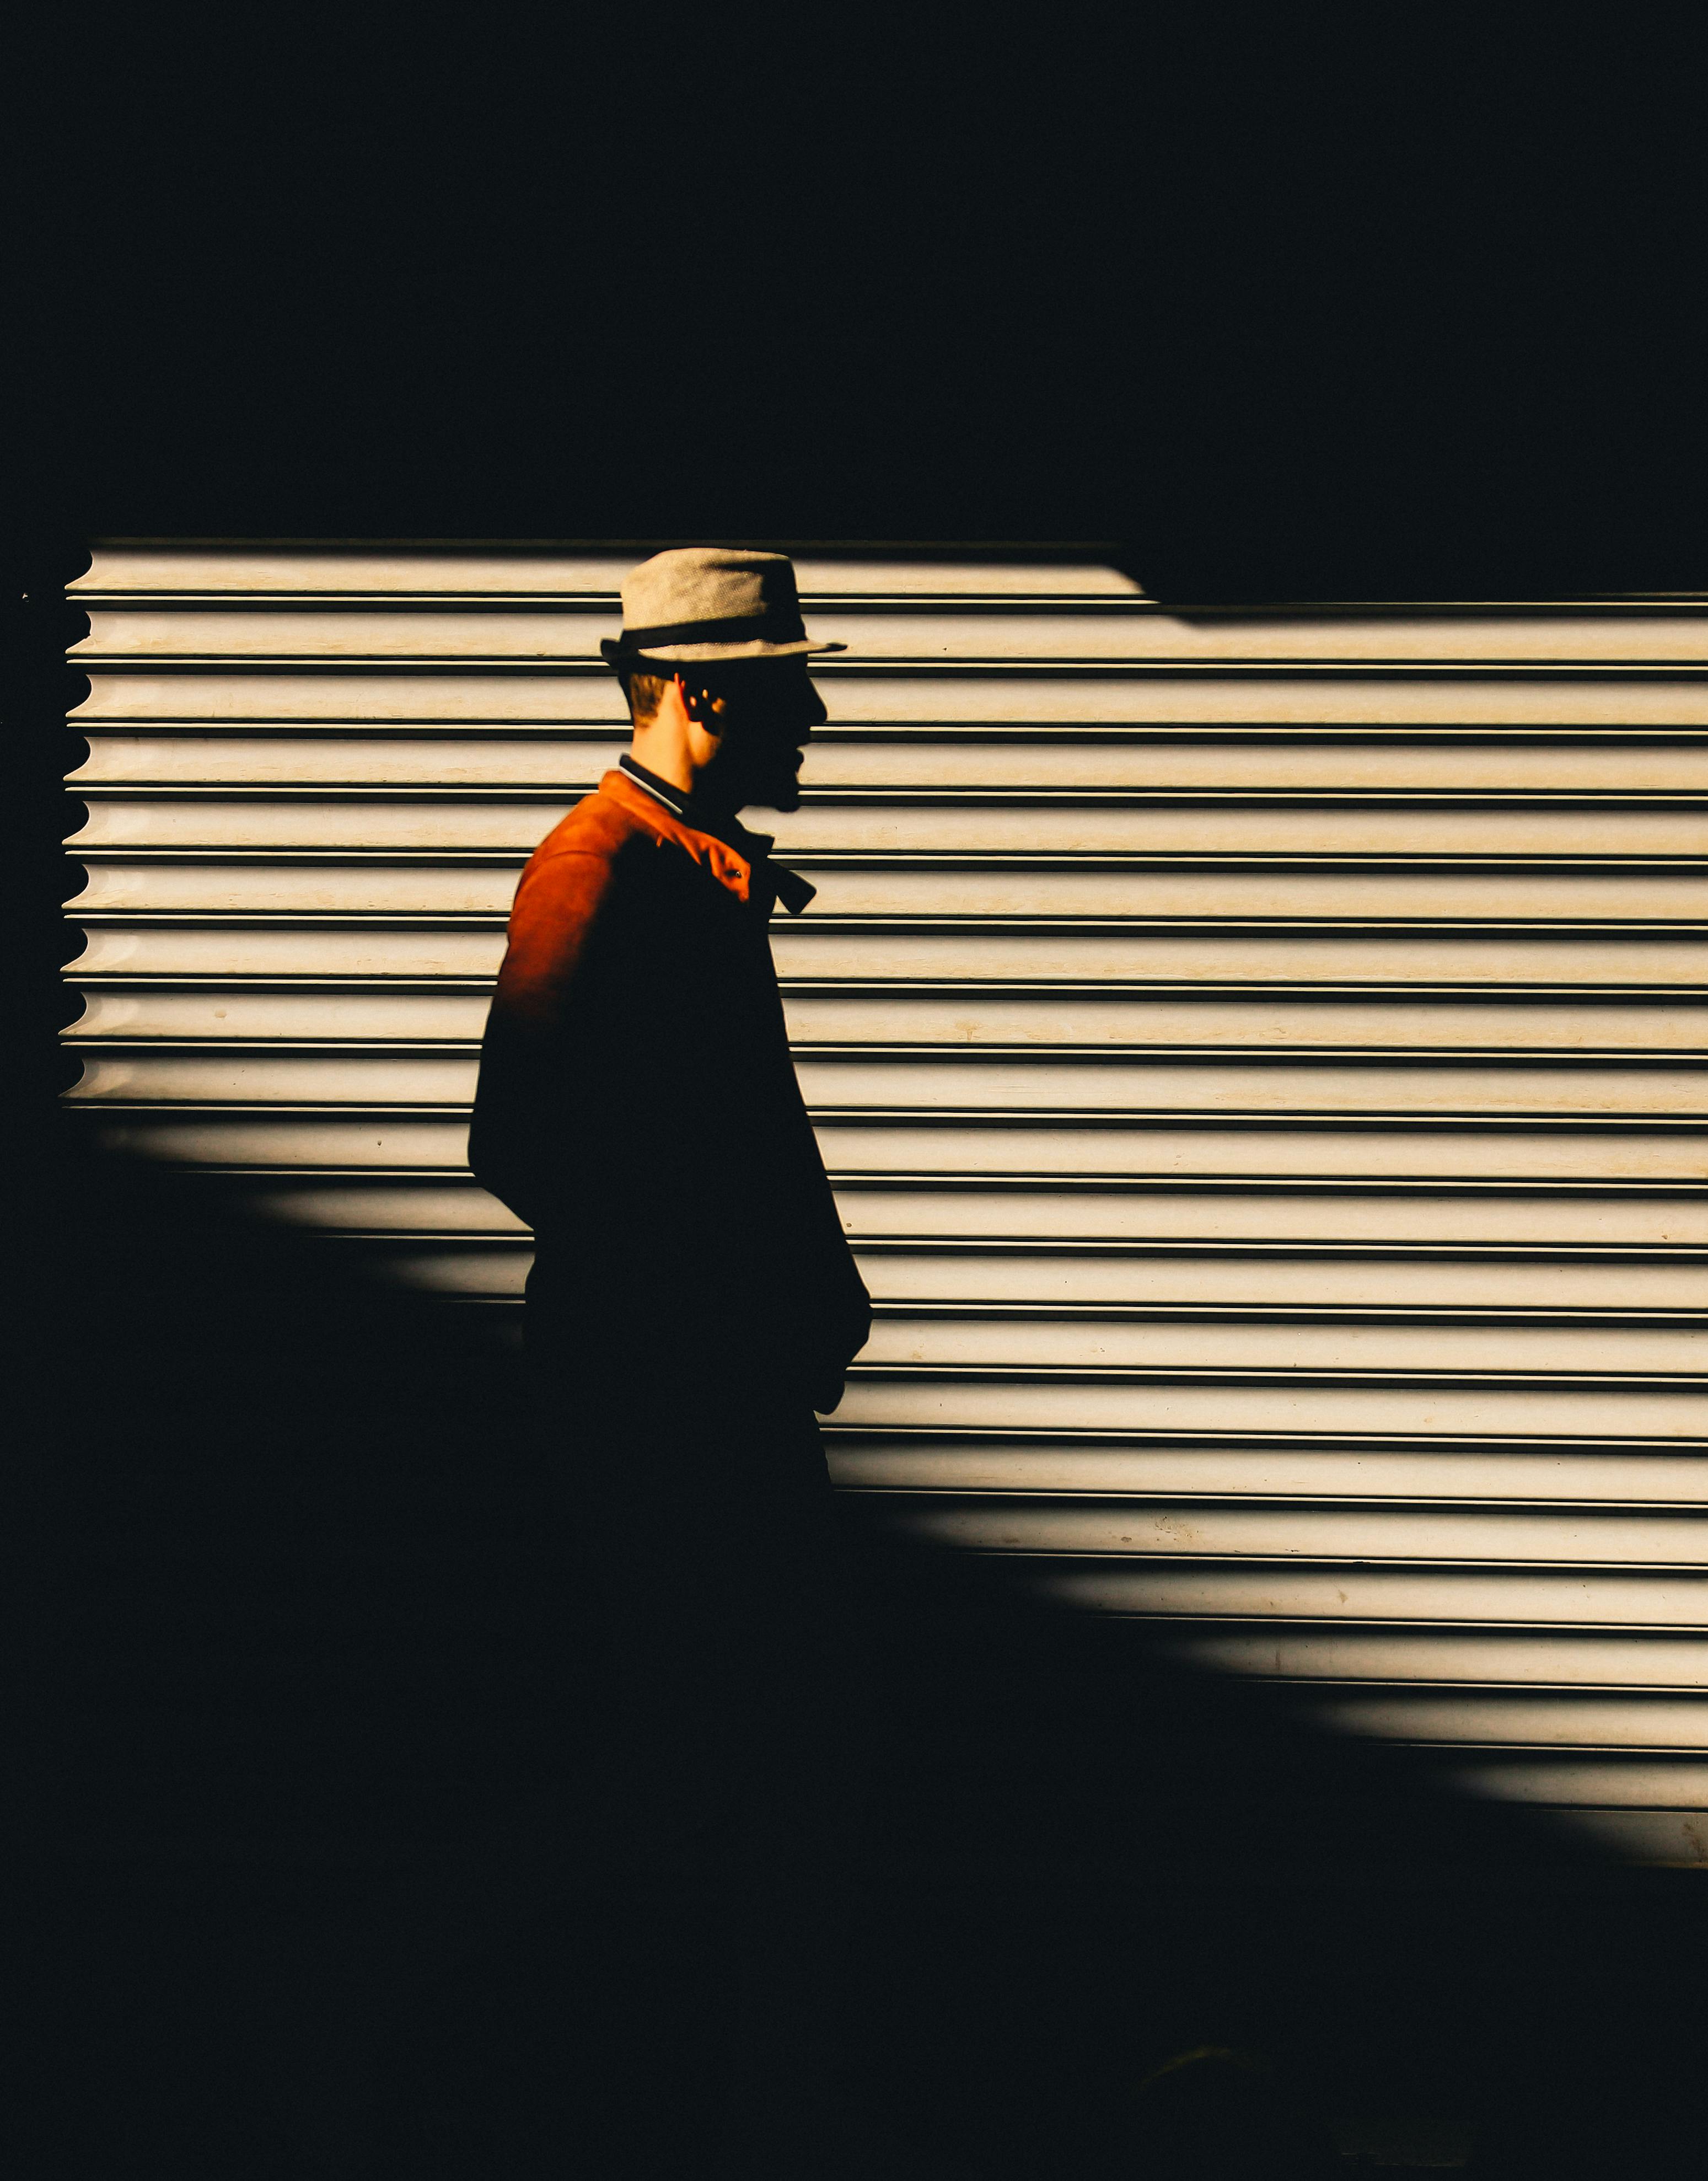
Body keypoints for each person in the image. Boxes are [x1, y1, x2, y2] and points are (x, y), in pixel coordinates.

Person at [469, 546, 876, 2174]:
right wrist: (715, 1308)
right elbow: (520, 1137)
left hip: (708, 1409)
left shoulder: (685, 861)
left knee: (727, 1779)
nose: (821, 716)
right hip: (665, 1428)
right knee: (681, 1776)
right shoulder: (600, 870)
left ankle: (668, 2093)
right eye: (793, 686)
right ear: (705, 693)